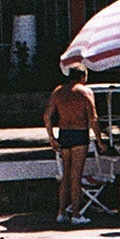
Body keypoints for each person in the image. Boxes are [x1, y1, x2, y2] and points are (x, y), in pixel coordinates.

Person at [44, 63, 100, 226]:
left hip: (64, 134)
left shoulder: (58, 91)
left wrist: (51, 137)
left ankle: (61, 213)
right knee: (76, 176)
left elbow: (47, 115)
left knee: (65, 176)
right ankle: (76, 214)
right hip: (79, 133)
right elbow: (93, 119)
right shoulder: (85, 91)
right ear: (83, 77)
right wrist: (99, 140)